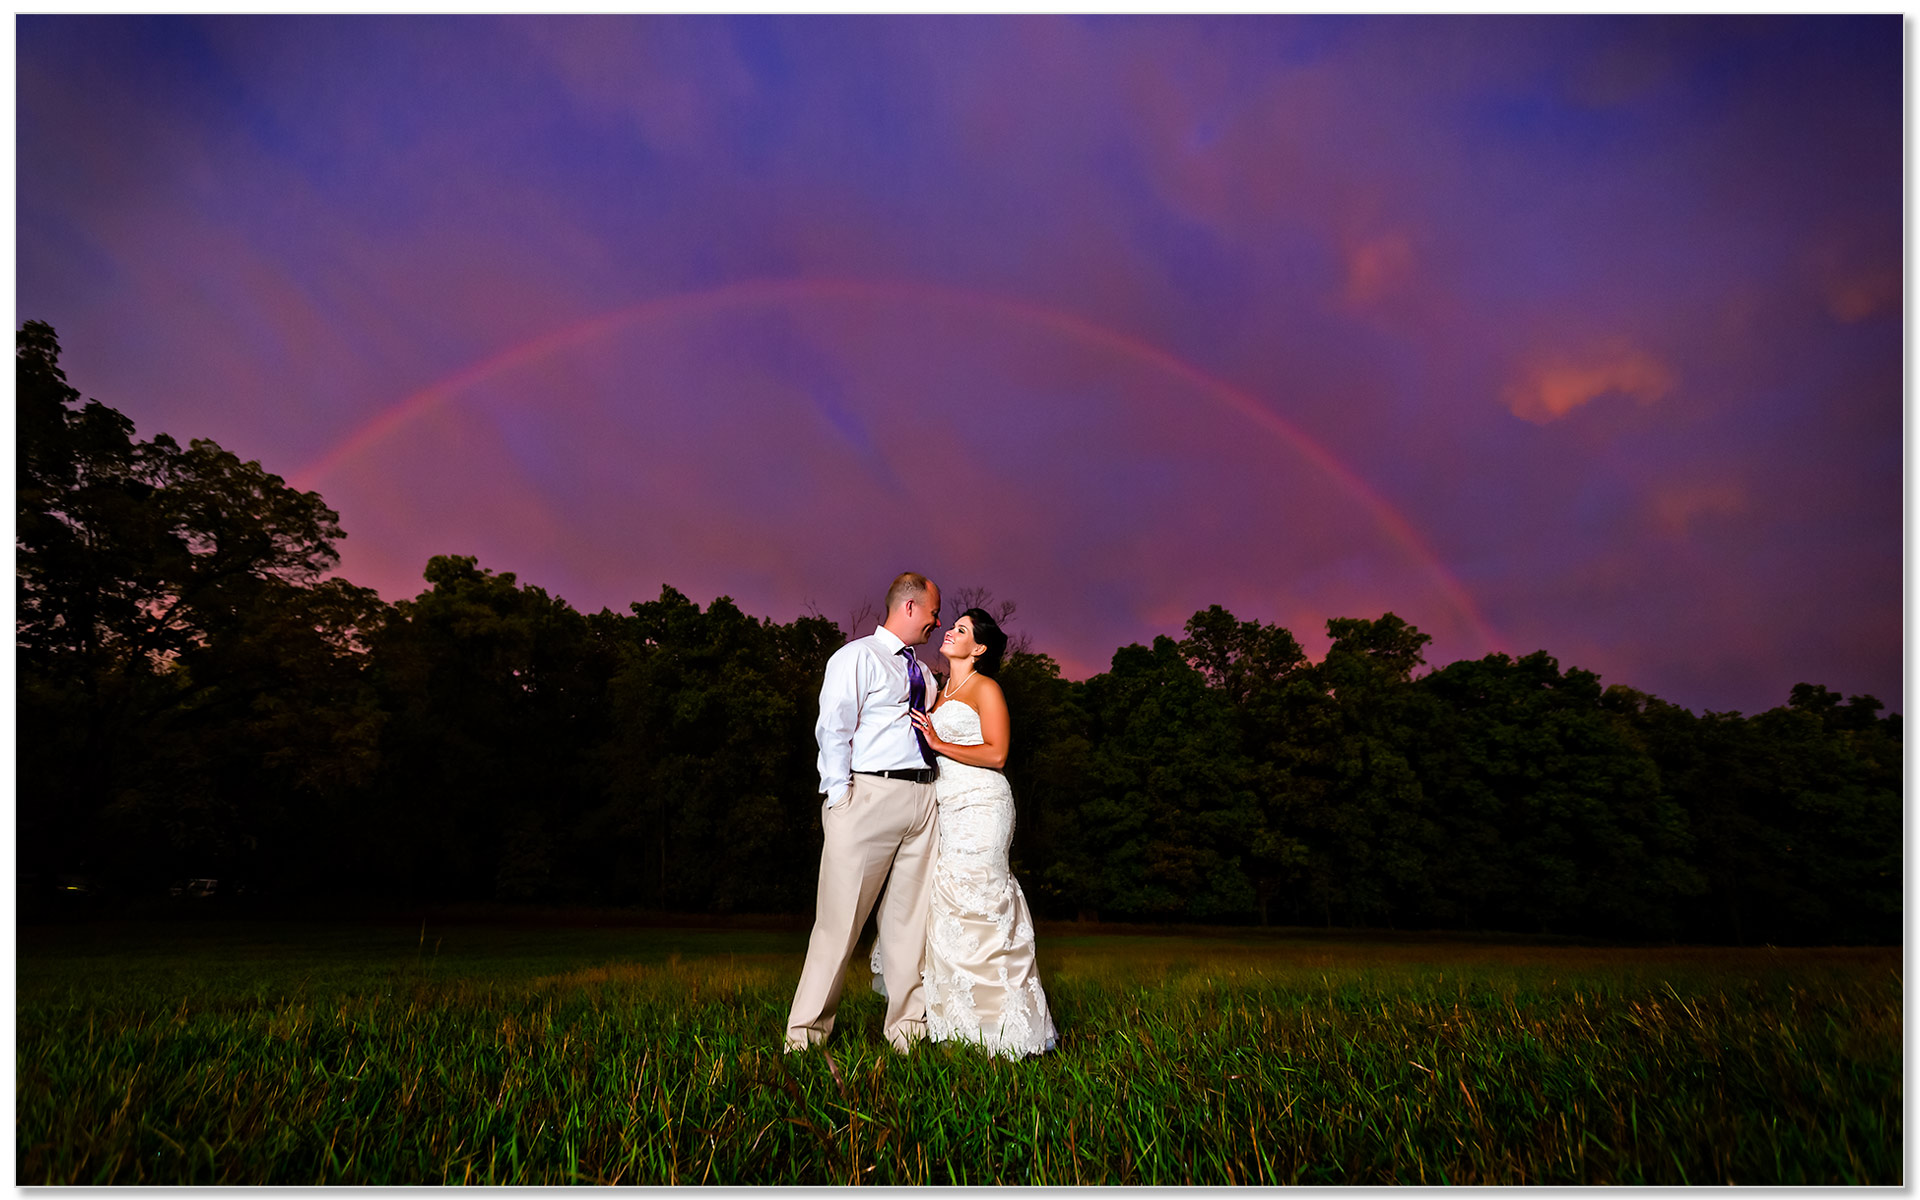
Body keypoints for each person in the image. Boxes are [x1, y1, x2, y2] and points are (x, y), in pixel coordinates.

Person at [785, 572, 944, 1054]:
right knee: (839, 923)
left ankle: (907, 1034)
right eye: (934, 612)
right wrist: (840, 798)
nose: (937, 622)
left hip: (924, 799)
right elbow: (832, 729)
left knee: (910, 925)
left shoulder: (926, 674)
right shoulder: (857, 657)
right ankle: (806, 1036)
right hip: (869, 797)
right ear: (910, 606)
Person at [904, 607, 1057, 1058]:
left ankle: (1012, 1032)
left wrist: (938, 743)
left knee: (982, 904)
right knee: (948, 910)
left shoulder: (986, 687)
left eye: (962, 630)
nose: (950, 631)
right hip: (946, 809)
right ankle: (961, 1027)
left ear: (980, 648)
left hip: (984, 807)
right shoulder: (936, 690)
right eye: (952, 626)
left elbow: (997, 754)